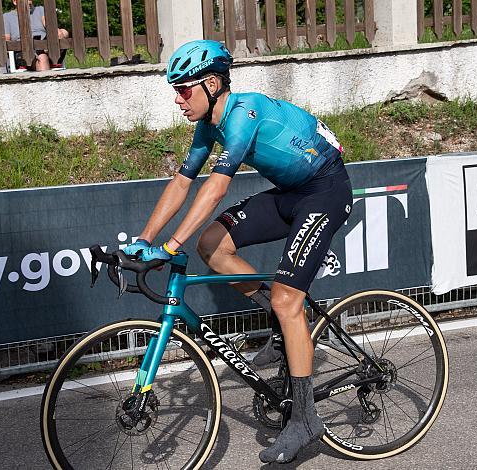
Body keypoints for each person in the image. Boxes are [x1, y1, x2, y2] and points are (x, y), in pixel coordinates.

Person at [123, 39, 353, 464]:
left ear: (211, 84)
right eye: (175, 90)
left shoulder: (243, 114)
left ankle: (305, 420)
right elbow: (182, 182)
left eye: (184, 89)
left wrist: (172, 246)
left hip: (325, 191)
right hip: (290, 192)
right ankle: (283, 328)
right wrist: (146, 239)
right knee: (212, 243)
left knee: (288, 301)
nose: (177, 99)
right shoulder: (207, 126)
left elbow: (217, 187)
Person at [3, 0, 69, 71]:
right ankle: (49, 61)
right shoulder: (7, 17)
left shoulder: (40, 10)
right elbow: (6, 42)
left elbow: (49, 26)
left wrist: (57, 33)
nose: (30, 2)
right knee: (42, 58)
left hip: (45, 45)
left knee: (64, 32)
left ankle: (53, 56)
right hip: (24, 51)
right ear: (15, 2)